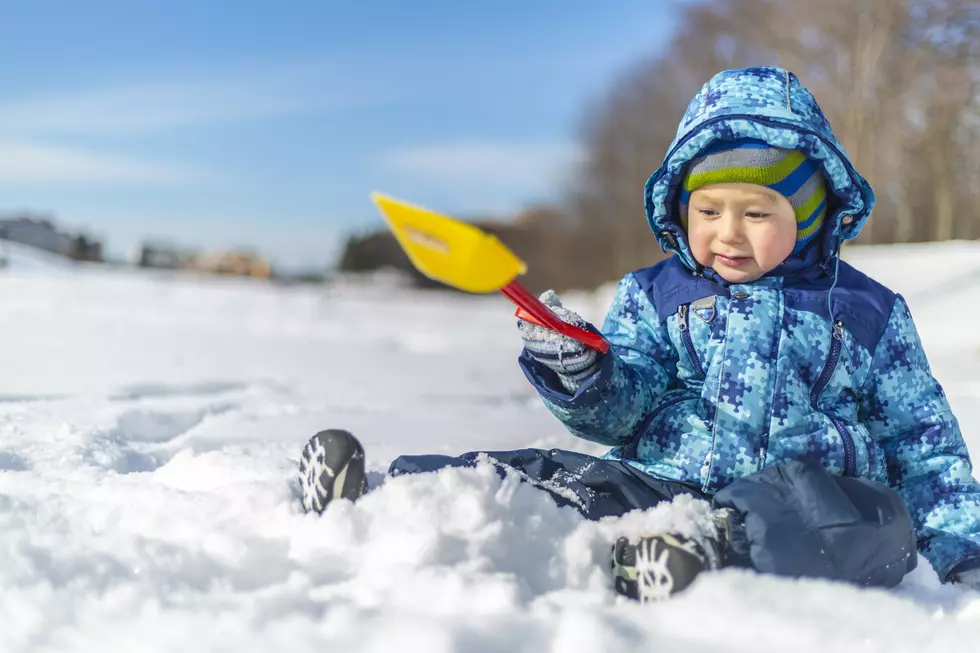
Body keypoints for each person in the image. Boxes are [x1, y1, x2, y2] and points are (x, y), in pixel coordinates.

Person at [298, 66, 980, 602]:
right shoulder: (658, 295)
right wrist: (586, 372)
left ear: (810, 210)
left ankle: (701, 552)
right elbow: (627, 403)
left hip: (814, 505)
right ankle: (398, 494)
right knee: (564, 476)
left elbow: (924, 441)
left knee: (871, 519)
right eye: (707, 209)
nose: (727, 232)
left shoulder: (864, 310)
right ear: (681, 208)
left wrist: (957, 547)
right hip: (666, 484)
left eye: (757, 211)